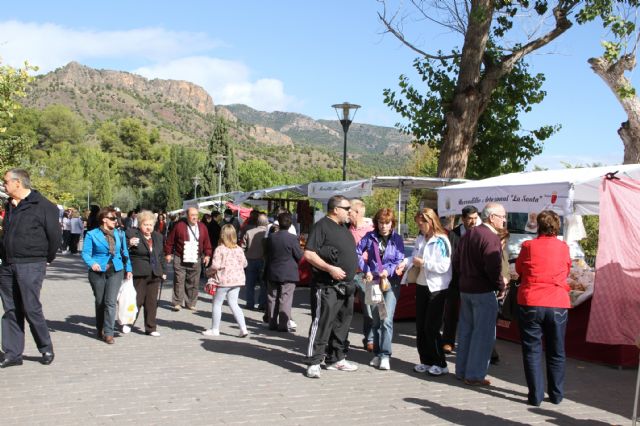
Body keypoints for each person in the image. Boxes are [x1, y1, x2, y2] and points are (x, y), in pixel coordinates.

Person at [0, 168, 61, 367]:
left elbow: (54, 237)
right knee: (11, 309)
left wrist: (45, 258)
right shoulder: (9, 205)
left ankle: (45, 347)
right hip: (8, 264)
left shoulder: (44, 206)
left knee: (30, 307)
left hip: (31, 264)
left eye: (6, 181)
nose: (4, 184)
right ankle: (13, 353)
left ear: (18, 183)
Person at [515, 210, 571, 406]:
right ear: (556, 226)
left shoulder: (529, 246)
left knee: (532, 351)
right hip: (557, 302)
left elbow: (519, 269)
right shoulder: (563, 247)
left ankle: (535, 396)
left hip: (531, 301)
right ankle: (556, 395)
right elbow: (567, 268)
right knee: (557, 351)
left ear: (538, 225)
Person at [304, 195, 359, 379]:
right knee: (322, 323)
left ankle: (336, 358)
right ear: (336, 209)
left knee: (342, 324)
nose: (349, 211)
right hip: (327, 285)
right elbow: (309, 254)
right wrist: (330, 268)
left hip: (347, 286)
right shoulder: (321, 226)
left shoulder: (344, 227)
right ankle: (313, 361)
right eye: (347, 208)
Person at [453, 202, 507, 386]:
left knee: (467, 332)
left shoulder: (469, 234)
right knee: (482, 334)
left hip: (466, 289)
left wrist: (465, 277)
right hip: (482, 290)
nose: (504, 220)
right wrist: (500, 285)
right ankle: (474, 374)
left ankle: (461, 371)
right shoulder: (490, 237)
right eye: (502, 216)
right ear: (492, 217)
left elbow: (457, 261)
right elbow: (493, 267)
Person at [402, 208, 452, 376]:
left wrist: (424, 263)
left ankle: (441, 362)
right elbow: (414, 257)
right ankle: (426, 360)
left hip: (437, 288)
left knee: (432, 327)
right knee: (421, 326)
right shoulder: (420, 239)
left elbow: (444, 266)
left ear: (431, 221)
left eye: (422, 222)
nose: (420, 226)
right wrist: (404, 262)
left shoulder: (442, 240)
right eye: (418, 223)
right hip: (422, 285)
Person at [356, 208, 405, 370]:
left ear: (392, 224)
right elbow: (357, 252)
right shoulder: (370, 237)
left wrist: (388, 271)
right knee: (376, 319)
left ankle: (385, 355)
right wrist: (366, 269)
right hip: (373, 282)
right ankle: (377, 353)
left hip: (391, 283)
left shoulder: (397, 238)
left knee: (387, 320)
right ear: (376, 223)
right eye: (381, 222)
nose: (384, 226)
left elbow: (399, 259)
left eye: (387, 223)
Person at [81, 206, 133, 344]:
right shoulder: (92, 234)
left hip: (116, 270)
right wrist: (92, 263)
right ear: (104, 219)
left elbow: (124, 253)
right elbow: (85, 253)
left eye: (116, 218)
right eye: (112, 218)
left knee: (110, 302)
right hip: (98, 271)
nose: (115, 221)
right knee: (100, 302)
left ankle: (109, 332)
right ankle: (100, 328)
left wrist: (129, 269)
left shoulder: (119, 234)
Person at [442, 205, 479, 353]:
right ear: (463, 219)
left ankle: (471, 343)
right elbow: (449, 257)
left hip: (473, 281)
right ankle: (448, 341)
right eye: (470, 219)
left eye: (475, 218)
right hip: (455, 280)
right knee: (451, 311)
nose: (473, 222)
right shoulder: (453, 235)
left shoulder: (479, 233)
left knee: (471, 314)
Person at [202, 224, 249, 337]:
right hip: (237, 280)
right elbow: (245, 264)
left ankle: (215, 329)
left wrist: (207, 272)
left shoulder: (220, 249)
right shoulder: (238, 249)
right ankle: (243, 328)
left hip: (223, 281)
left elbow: (215, 266)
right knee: (234, 304)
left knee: (217, 304)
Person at [125, 210, 167, 337]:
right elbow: (123, 249)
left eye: (151, 225)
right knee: (137, 300)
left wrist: (163, 271)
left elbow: (161, 256)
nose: (148, 227)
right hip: (139, 272)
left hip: (155, 273)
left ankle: (150, 327)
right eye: (146, 224)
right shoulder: (132, 233)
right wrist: (129, 243)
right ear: (140, 224)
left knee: (151, 302)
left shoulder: (158, 237)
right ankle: (128, 322)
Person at [164, 207, 212, 312]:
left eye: (196, 215)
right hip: (180, 257)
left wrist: (207, 255)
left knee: (193, 282)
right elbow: (170, 241)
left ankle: (190, 303)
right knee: (179, 281)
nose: (195, 217)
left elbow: (207, 242)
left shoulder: (202, 227)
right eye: (192, 215)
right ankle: (177, 302)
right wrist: (168, 253)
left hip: (196, 258)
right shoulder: (179, 226)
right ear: (187, 215)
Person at [265, 212, 303, 331]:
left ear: (278, 223)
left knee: (272, 297)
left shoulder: (271, 237)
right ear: (290, 224)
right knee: (285, 298)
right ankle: (283, 325)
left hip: (273, 270)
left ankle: (271, 323)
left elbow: (267, 253)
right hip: (288, 272)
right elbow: (299, 255)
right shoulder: (293, 238)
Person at [348, 198, 374, 352]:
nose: (347, 213)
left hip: (366, 275)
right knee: (345, 308)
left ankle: (369, 339)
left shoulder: (371, 231)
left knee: (369, 309)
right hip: (349, 273)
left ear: (357, 212)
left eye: (349, 211)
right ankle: (342, 338)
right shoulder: (346, 228)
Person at [242, 213, 268, 310]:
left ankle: (250, 303)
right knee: (263, 284)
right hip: (263, 261)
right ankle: (262, 304)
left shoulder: (249, 232)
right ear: (266, 223)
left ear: (257, 222)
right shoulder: (267, 233)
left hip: (250, 260)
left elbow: (243, 247)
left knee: (250, 284)